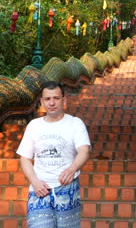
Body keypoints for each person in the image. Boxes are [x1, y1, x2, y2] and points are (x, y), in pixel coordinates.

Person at [17, 81, 92, 228]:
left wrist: (72, 169)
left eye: (56, 98)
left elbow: (84, 150)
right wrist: (34, 181)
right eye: (47, 99)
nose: (52, 103)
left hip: (67, 188)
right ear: (42, 102)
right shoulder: (34, 126)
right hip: (39, 189)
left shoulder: (75, 123)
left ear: (64, 100)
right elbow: (25, 158)